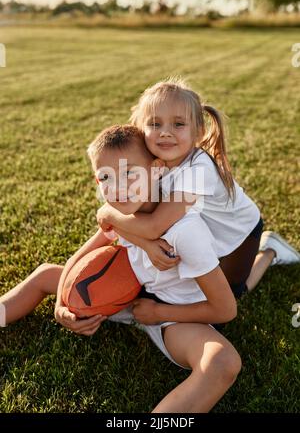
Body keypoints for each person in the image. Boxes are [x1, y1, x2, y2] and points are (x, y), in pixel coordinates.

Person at [0, 124, 242, 413]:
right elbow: (80, 258)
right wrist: (60, 305)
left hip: (175, 316)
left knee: (222, 362)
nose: (118, 188)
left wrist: (158, 313)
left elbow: (225, 310)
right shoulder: (120, 214)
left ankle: (268, 253)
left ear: (156, 170)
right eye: (106, 177)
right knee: (45, 274)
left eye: (130, 173)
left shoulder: (186, 231)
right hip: (124, 295)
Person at [97, 78, 300, 299]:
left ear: (199, 132)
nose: (165, 132)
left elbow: (154, 226)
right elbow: (137, 214)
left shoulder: (197, 170)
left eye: (178, 124)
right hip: (204, 229)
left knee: (232, 295)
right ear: (140, 128)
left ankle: (269, 251)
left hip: (238, 235)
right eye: (155, 124)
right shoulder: (151, 160)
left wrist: (108, 213)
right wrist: (144, 243)